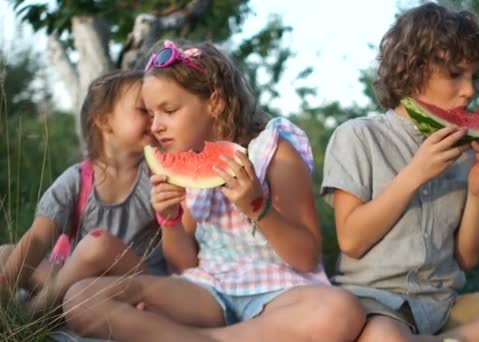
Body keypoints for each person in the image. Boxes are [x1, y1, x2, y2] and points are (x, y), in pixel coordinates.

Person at [62, 40, 365, 342]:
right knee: (80, 297)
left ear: (216, 102)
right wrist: (169, 219)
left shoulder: (273, 151)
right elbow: (183, 266)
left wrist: (258, 206)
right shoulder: (188, 161)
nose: (156, 126)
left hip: (280, 292)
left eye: (168, 110)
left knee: (341, 310)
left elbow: (306, 258)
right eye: (151, 114)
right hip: (209, 291)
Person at [320, 3, 479, 341]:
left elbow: (467, 257)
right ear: (413, 70)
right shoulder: (358, 135)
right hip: (378, 304)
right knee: (384, 337)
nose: (470, 90)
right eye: (455, 74)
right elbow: (352, 241)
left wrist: (476, 192)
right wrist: (415, 174)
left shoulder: (467, 148)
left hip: (444, 305)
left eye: (475, 76)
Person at [0, 70, 166, 315]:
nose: (155, 120)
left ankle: (33, 317)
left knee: (97, 245)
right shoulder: (77, 180)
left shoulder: (159, 177)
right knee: (5, 253)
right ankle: (15, 308)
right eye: (144, 111)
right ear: (103, 121)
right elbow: (38, 238)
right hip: (79, 279)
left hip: (137, 283)